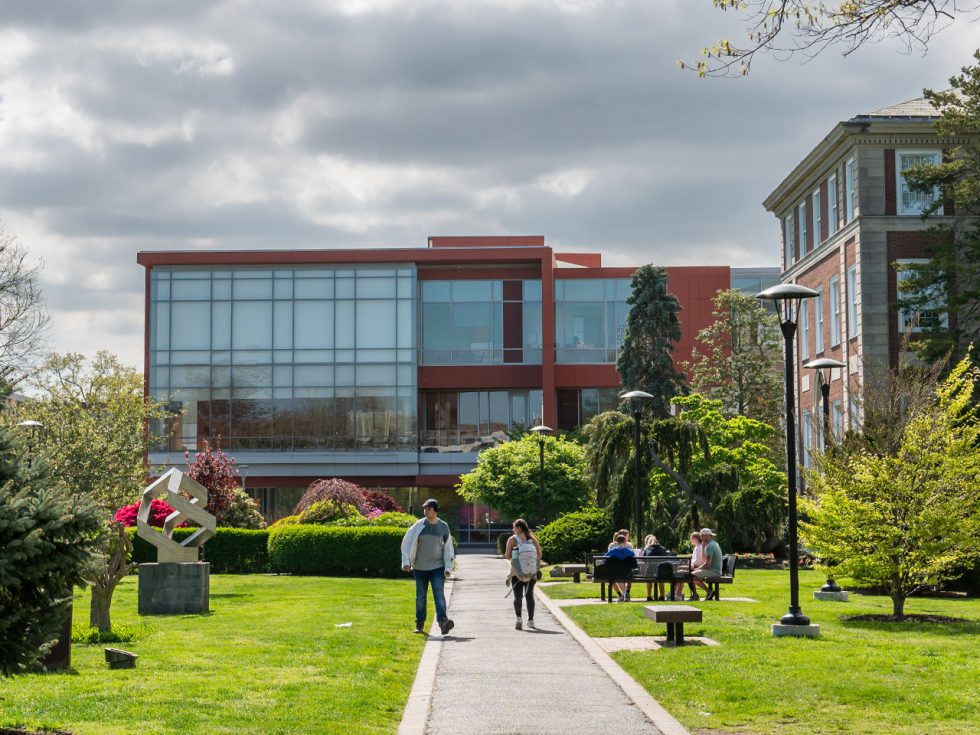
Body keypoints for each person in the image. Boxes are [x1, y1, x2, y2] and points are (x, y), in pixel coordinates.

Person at [400, 498, 455, 635]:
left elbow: (448, 548)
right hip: (420, 568)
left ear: (435, 510)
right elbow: (406, 543)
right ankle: (419, 623)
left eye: (429, 509)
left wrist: (448, 568)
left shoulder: (443, 526)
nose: (426, 511)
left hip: (437, 567)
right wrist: (406, 562)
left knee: (439, 594)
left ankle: (443, 622)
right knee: (420, 597)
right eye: (424, 509)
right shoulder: (418, 526)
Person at [502, 518, 543, 630]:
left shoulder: (512, 540)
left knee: (517, 596)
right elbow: (539, 555)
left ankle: (519, 618)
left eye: (514, 527)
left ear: (519, 528)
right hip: (532, 573)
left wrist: (516, 553)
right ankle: (531, 620)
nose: (513, 529)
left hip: (517, 572)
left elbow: (507, 556)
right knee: (529, 595)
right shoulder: (533, 540)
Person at [638, 534, 671, 601]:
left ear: (649, 542)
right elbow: (666, 560)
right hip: (661, 571)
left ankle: (649, 596)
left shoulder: (647, 549)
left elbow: (643, 560)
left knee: (649, 579)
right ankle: (662, 596)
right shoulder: (663, 549)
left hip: (650, 571)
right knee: (661, 580)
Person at [692, 528, 723, 597]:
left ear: (706, 536)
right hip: (715, 570)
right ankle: (699, 594)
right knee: (693, 575)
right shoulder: (713, 544)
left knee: (691, 576)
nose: (701, 537)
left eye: (702, 536)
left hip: (714, 571)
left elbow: (707, 565)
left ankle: (709, 592)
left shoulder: (710, 546)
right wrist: (703, 547)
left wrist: (697, 569)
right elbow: (704, 560)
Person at [606, 533, 637, 602]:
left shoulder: (612, 551)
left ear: (616, 542)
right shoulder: (630, 552)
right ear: (625, 542)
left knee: (611, 578)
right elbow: (634, 562)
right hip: (627, 573)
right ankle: (626, 594)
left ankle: (621, 595)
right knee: (628, 579)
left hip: (616, 572)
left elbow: (604, 558)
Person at [674, 531, 703, 601]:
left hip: (697, 567)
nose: (690, 540)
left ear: (695, 538)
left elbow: (698, 561)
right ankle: (679, 593)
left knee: (680, 571)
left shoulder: (699, 547)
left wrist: (690, 564)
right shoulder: (697, 547)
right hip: (695, 566)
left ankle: (677, 593)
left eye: (691, 538)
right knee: (680, 570)